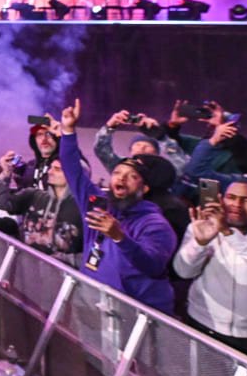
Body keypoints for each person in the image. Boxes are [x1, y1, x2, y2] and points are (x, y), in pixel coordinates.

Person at [58, 101, 177, 312]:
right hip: (95, 304)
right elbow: (73, 171)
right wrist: (68, 131)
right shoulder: (98, 204)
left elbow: (153, 265)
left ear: (145, 188)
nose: (121, 178)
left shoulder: (156, 224)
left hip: (138, 314)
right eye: (117, 173)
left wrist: (119, 236)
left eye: (131, 176)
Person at [172, 182, 247, 361]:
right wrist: (200, 244)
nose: (236, 204)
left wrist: (228, 233)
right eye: (231, 198)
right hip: (201, 323)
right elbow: (183, 271)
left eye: (246, 200)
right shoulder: (201, 228)